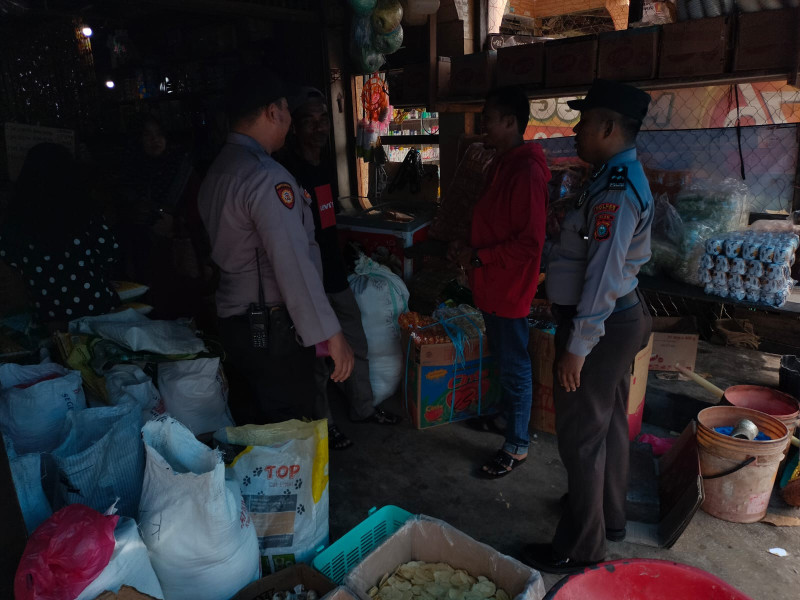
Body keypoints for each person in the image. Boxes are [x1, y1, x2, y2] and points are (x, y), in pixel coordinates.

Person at [521, 79, 654, 574]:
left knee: (582, 434)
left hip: (600, 322)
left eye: (583, 122)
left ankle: (581, 546)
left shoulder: (615, 191)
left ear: (608, 127)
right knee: (609, 420)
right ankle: (607, 515)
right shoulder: (611, 177)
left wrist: (576, 345)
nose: (575, 131)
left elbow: (600, 277)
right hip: (617, 318)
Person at [197, 69, 354, 424]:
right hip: (269, 328)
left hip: (235, 321)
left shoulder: (220, 170)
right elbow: (292, 265)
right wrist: (331, 334)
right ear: (273, 112)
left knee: (258, 419)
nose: (289, 121)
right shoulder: (265, 177)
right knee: (290, 424)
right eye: (287, 111)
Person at [279, 87, 400, 448]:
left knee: (355, 341)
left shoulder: (324, 167)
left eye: (322, 121)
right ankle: (324, 425)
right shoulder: (289, 174)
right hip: (308, 281)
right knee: (317, 359)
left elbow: (325, 225)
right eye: (309, 122)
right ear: (294, 129)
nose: (319, 128)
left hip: (335, 275)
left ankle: (363, 407)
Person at [448, 86, 551, 478]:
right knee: (505, 359)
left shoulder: (525, 170)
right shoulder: (503, 163)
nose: (483, 125)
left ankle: (518, 444)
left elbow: (530, 242)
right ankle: (505, 419)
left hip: (509, 286)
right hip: (491, 282)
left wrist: (480, 257)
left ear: (511, 122)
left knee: (515, 365)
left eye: (489, 118)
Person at [0, 143, 121, 328]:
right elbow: (109, 253)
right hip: (97, 312)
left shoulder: (15, 221)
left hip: (48, 317)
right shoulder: (85, 211)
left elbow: (11, 264)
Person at [116, 115, 213, 323]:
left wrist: (175, 224)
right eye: (148, 135)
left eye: (159, 134)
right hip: (144, 256)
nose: (155, 140)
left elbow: (199, 210)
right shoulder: (130, 173)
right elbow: (120, 213)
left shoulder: (182, 170)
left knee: (185, 309)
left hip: (179, 255)